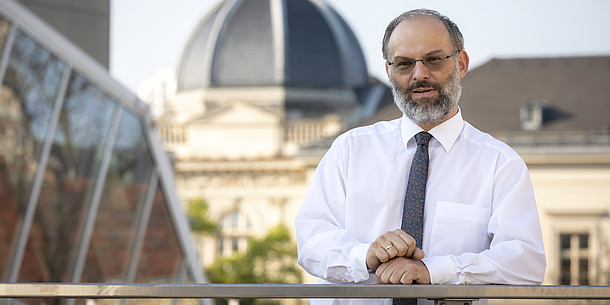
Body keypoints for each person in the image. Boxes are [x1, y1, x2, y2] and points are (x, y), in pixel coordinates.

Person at [294, 8, 546, 305]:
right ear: (388, 72)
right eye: (403, 64)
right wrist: (364, 255)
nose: (419, 74)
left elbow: (525, 262)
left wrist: (433, 270)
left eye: (434, 59)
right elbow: (311, 242)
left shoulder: (499, 164)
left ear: (461, 63)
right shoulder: (349, 150)